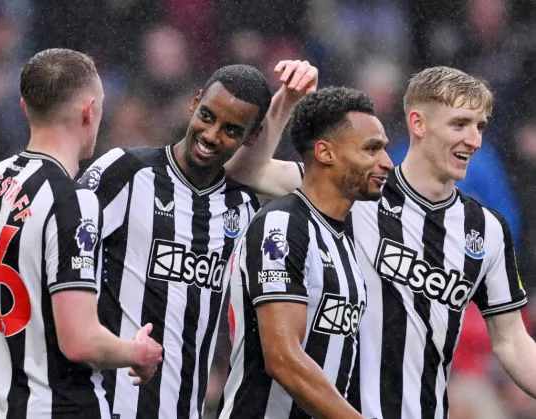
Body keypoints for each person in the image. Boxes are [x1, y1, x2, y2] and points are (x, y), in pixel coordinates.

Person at [227, 66, 536, 417]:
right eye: (460, 124)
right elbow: (245, 172)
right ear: (418, 123)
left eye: (480, 126)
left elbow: (512, 341)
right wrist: (286, 102)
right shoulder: (355, 186)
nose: (474, 139)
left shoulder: (487, 229)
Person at [0, 48, 163, 419]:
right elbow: (80, 340)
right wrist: (139, 354)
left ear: (24, 107)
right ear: (89, 111)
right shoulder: (73, 201)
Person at [78, 60, 318, 419]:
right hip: (105, 405)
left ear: (251, 138)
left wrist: (288, 101)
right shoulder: (125, 171)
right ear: (194, 102)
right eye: (207, 116)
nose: (211, 134)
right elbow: (58, 254)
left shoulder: (245, 204)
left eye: (231, 130)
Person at [219, 86, 392, 418]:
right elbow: (282, 357)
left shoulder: (342, 238)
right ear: (325, 153)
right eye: (371, 149)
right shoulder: (282, 226)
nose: (385, 162)